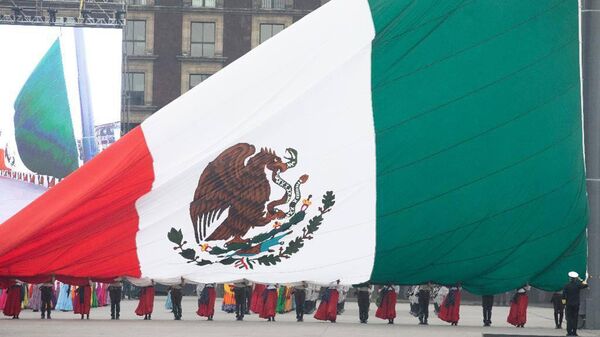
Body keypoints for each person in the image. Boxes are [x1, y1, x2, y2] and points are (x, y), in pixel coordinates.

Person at [563, 271, 589, 336]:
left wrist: (564, 303)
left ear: (570, 278)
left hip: (569, 304)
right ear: (575, 278)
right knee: (575, 318)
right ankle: (574, 332)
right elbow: (586, 285)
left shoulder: (566, 285)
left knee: (569, 318)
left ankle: (569, 332)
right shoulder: (578, 285)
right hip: (576, 304)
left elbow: (563, 296)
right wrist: (580, 279)